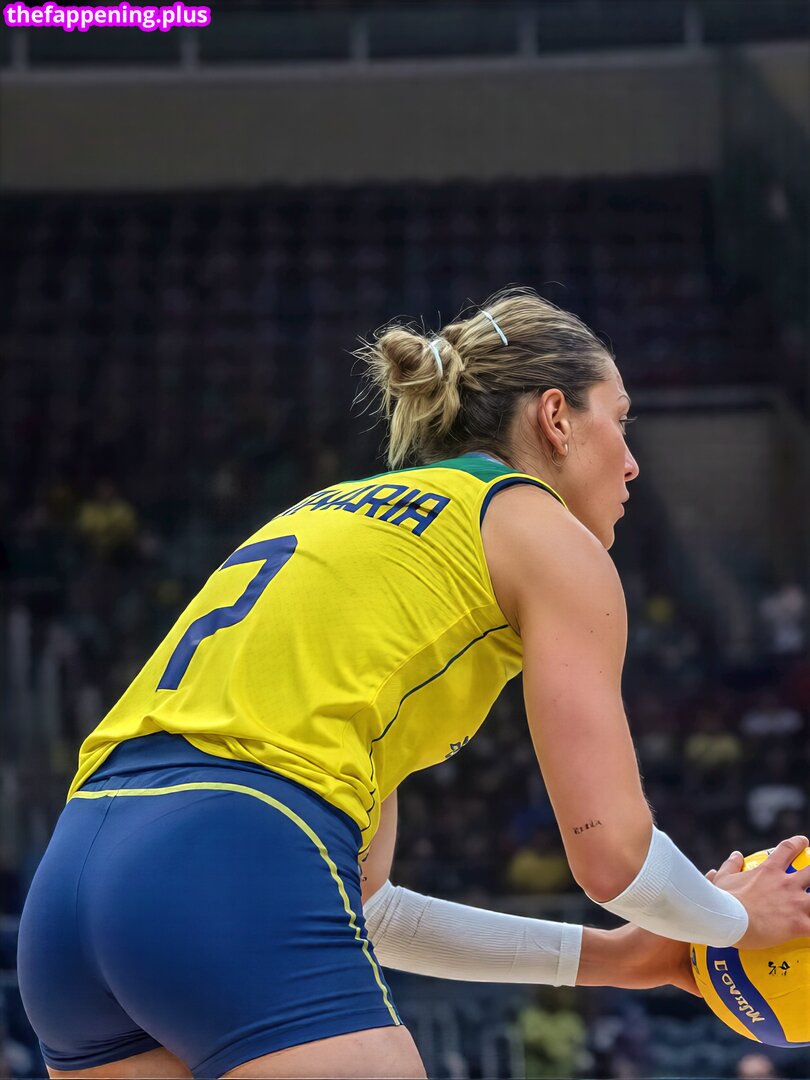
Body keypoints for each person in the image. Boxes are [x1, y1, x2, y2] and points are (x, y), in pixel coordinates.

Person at [17, 288, 810, 1080]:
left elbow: (372, 911)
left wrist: (614, 959)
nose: (633, 461)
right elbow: (616, 860)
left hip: (74, 885)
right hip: (235, 845)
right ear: (556, 417)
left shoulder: (339, 516)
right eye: (621, 419)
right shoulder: (545, 535)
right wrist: (738, 920)